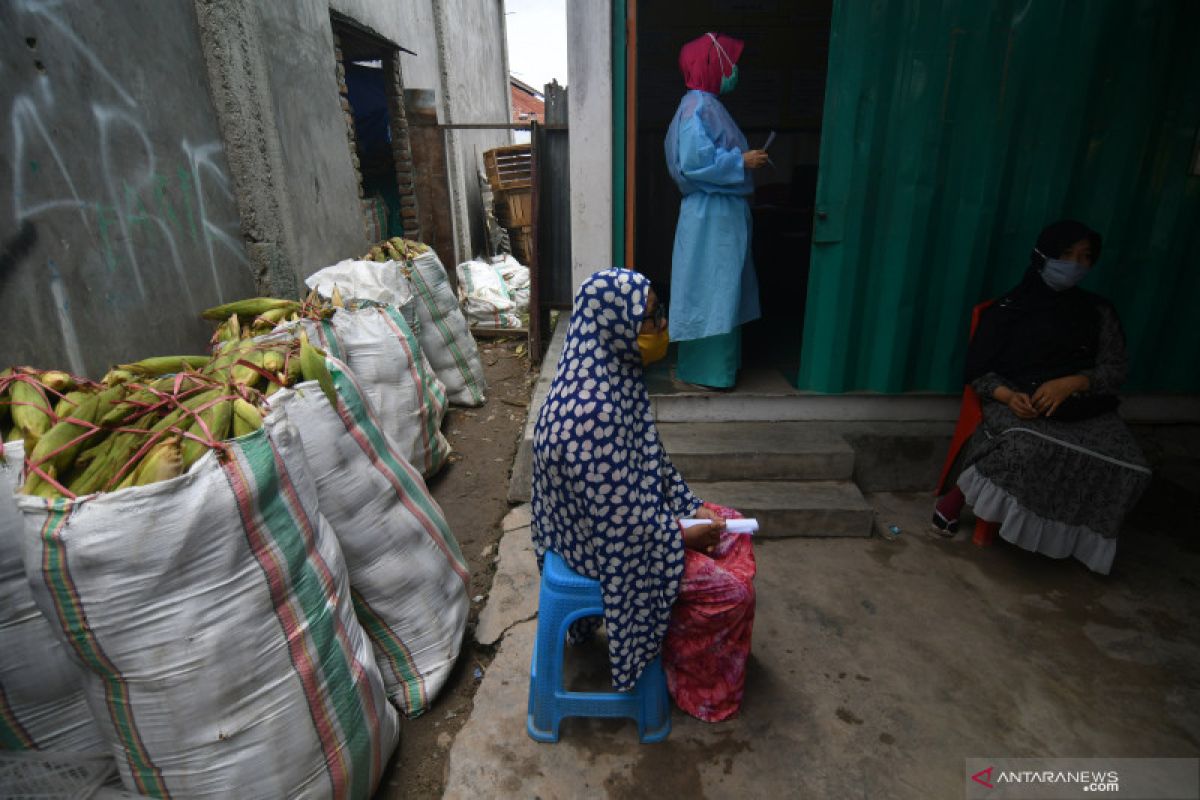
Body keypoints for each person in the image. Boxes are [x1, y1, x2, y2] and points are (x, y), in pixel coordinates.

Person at [531, 268, 757, 722]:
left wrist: (692, 507)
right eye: (650, 318)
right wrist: (682, 536)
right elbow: (622, 530)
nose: (660, 328)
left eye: (658, 314)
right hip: (596, 545)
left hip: (626, 521)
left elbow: (654, 462)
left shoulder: (610, 375)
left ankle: (676, 630)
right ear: (614, 323)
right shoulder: (592, 414)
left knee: (728, 523)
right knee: (731, 593)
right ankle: (694, 681)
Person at [933, 220, 1151, 574]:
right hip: (1022, 403)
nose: (1074, 265)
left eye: (1084, 258)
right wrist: (1008, 396)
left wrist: (1075, 382)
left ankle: (1070, 540)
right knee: (1025, 449)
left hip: (1084, 406)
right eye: (1065, 255)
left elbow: (1114, 369)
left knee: (1130, 464)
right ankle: (958, 497)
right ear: (1043, 255)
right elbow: (978, 371)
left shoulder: (1098, 313)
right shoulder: (1007, 311)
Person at [664, 32, 768, 390]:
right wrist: (741, 160)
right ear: (712, 64)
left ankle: (717, 368)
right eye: (730, 63)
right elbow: (695, 163)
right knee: (714, 290)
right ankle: (709, 371)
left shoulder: (702, 104)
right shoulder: (699, 106)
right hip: (712, 213)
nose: (734, 71)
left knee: (717, 289)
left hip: (715, 213)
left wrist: (738, 161)